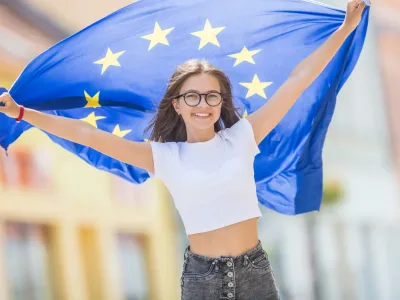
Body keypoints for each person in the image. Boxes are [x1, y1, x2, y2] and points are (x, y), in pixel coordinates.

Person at [0, 1, 367, 299]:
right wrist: (22, 113)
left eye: (212, 96)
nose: (202, 104)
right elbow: (88, 135)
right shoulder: (163, 156)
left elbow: (298, 79)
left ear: (222, 103)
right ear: (177, 104)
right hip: (201, 278)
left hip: (254, 272)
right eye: (192, 96)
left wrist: (345, 29)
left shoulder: (243, 137)